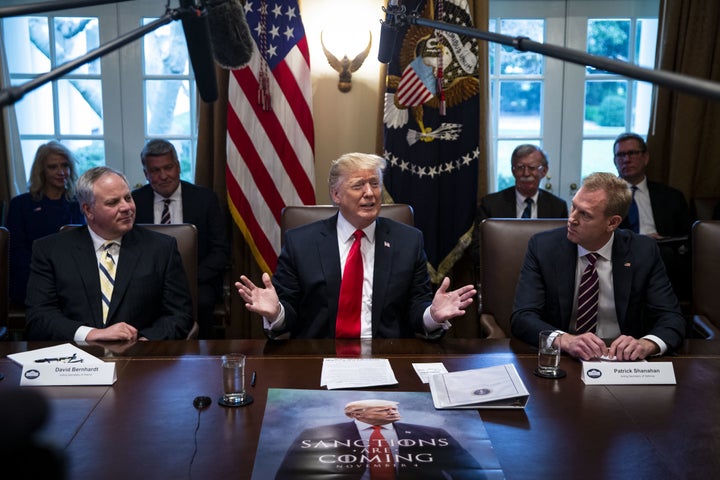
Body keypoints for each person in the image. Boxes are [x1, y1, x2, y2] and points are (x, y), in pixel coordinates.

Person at [235, 152, 476, 339]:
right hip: (320, 355)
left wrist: (432, 316)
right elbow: (289, 309)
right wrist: (276, 313)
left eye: (374, 183)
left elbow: (416, 308)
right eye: (358, 185)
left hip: (388, 355)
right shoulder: (301, 243)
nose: (370, 193)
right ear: (336, 194)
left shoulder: (408, 241)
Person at [511, 172, 686, 361]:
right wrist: (565, 340)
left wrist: (646, 344)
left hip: (622, 360)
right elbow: (523, 317)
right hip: (565, 358)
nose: (572, 219)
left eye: (585, 214)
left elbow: (671, 318)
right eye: (574, 206)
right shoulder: (543, 247)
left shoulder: (643, 251)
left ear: (612, 222)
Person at [25, 166, 193, 342]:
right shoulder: (50, 250)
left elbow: (179, 315)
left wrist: (144, 342)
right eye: (113, 202)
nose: (127, 207)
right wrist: (91, 334)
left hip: (139, 357)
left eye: (128, 198)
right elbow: (39, 318)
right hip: (74, 358)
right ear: (88, 210)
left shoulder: (161, 248)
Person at [132, 139, 229, 339]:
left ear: (177, 167)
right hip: (146, 280)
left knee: (202, 302)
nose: (164, 176)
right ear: (146, 174)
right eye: (156, 171)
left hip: (197, 280)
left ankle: (204, 359)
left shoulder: (205, 199)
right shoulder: (134, 202)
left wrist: (188, 278)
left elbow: (220, 251)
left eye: (168, 168)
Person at [274, 398, 485, 479]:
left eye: (393, 408)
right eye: (383, 409)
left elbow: (471, 475)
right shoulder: (316, 435)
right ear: (357, 413)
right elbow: (289, 477)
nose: (392, 411)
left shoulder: (432, 435)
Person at [7, 141, 85, 306]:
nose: (61, 172)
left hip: (74, 280)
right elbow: (16, 252)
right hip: (32, 278)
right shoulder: (20, 205)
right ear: (41, 170)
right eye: (53, 167)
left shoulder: (79, 203)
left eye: (65, 165)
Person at [613, 132, 690, 237]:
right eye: (621, 155)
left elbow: (687, 237)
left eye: (632, 153)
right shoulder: (605, 196)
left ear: (645, 158)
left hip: (663, 248)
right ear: (615, 161)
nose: (626, 160)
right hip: (623, 251)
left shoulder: (672, 196)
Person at [477, 144, 568, 220]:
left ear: (544, 171)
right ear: (513, 171)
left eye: (532, 168)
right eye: (520, 167)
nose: (526, 173)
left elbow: (562, 240)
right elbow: (481, 239)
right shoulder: (490, 205)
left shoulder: (558, 207)